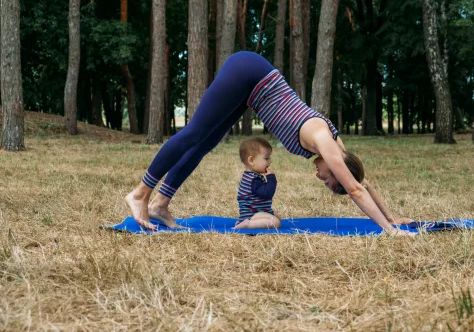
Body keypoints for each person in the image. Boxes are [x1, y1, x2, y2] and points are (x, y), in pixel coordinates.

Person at [125, 51, 414, 236]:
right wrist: (390, 231)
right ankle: (140, 195)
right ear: (336, 170)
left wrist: (393, 216)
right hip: (249, 72)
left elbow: (363, 180)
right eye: (327, 179)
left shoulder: (339, 149)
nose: (319, 177)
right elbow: (354, 188)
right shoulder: (326, 142)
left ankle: (161, 203)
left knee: (203, 143)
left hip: (252, 89)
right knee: (194, 133)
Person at [234, 136, 281, 229]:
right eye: (266, 158)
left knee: (277, 218)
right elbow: (267, 194)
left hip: (255, 212)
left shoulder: (251, 176)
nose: (270, 161)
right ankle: (249, 224)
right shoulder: (254, 180)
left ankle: (247, 223)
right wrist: (271, 178)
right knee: (276, 222)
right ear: (251, 160)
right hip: (252, 215)